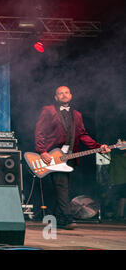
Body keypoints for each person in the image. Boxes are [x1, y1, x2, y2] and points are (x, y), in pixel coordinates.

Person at [35, 86, 110, 229]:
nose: (63, 95)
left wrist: (98, 146)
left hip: (69, 157)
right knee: (62, 186)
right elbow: (40, 132)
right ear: (56, 98)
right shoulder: (48, 110)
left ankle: (58, 219)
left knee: (64, 188)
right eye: (60, 93)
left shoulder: (77, 115)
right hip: (52, 156)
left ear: (71, 96)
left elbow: (83, 135)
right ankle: (68, 218)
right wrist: (42, 151)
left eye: (66, 92)